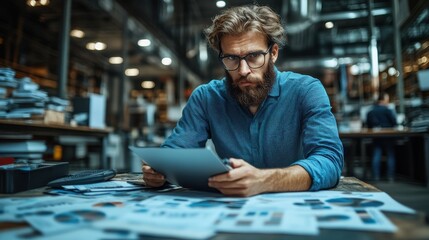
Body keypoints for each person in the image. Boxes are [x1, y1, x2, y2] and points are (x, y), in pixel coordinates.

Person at [142, 4, 344, 196]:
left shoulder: (306, 90)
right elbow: (176, 153)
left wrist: (265, 180)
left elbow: (329, 161)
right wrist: (159, 172)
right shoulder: (206, 98)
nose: (243, 70)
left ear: (273, 53)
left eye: (254, 56)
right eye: (231, 58)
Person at [366, 92, 397, 181]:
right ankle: (390, 176)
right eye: (387, 100)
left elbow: (368, 125)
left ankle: (376, 176)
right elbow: (394, 123)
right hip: (388, 136)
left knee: (377, 154)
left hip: (376, 137)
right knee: (390, 154)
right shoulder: (388, 110)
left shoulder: (371, 111)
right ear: (383, 100)